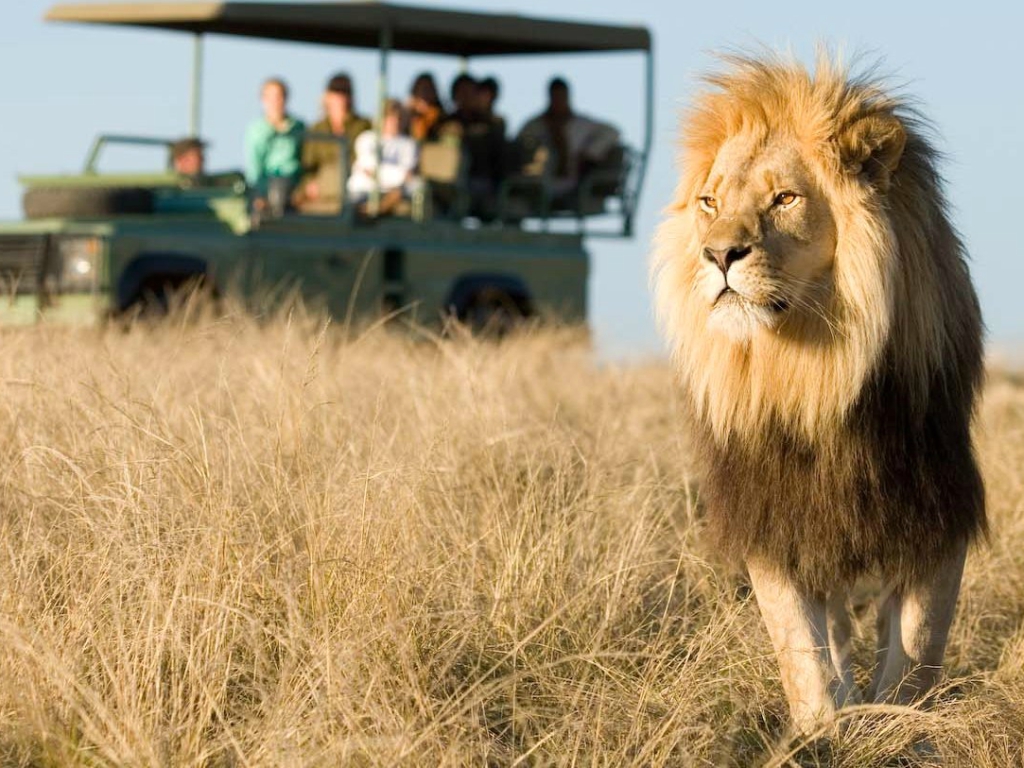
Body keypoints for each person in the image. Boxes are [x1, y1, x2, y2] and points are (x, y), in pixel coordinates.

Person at [517, 77, 620, 197]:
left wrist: (588, 154)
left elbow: (613, 132)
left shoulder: (581, 124)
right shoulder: (535, 126)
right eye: (555, 98)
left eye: (562, 97)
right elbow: (519, 144)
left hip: (575, 183)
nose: (558, 103)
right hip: (539, 184)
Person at [293, 72, 372, 209]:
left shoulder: (363, 125)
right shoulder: (317, 129)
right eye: (336, 93)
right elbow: (308, 165)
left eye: (345, 93)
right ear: (327, 97)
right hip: (322, 189)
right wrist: (310, 184)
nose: (340, 99)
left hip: (352, 185)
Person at [436, 73, 505, 215]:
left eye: (471, 92)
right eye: (462, 92)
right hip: (452, 184)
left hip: (484, 183)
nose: (467, 97)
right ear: (454, 95)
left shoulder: (492, 124)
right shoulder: (445, 123)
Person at [347, 99, 420, 215]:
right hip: (362, 192)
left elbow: (408, 175)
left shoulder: (409, 145)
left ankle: (374, 212)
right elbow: (369, 168)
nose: (395, 121)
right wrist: (397, 176)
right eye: (390, 117)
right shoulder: (366, 139)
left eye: (399, 117)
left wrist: (392, 178)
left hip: (393, 194)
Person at [244, 77, 305, 212]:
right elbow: (254, 165)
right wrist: (258, 194)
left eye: (280, 96)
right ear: (263, 100)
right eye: (272, 97)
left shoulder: (298, 127)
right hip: (267, 186)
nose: (277, 101)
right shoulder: (256, 130)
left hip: (294, 186)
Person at [405, 72, 444, 141]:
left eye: (429, 88)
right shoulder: (405, 116)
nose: (425, 92)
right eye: (422, 88)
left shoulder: (441, 116)